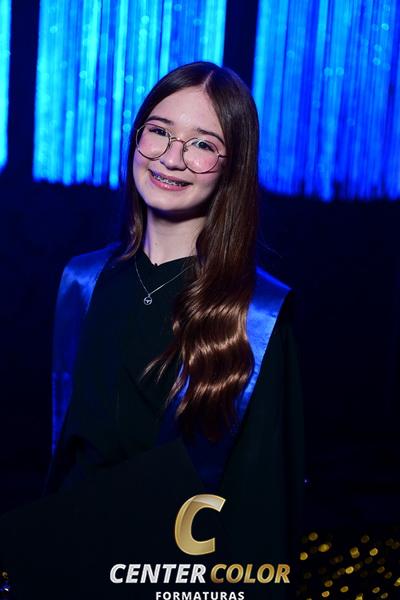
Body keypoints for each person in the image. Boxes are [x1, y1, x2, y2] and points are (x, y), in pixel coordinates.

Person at [0, 61, 304, 600]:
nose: (171, 157)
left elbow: (262, 505)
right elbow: (63, 457)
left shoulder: (257, 315)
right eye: (159, 131)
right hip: (68, 572)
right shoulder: (82, 281)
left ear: (232, 166)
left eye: (202, 144)